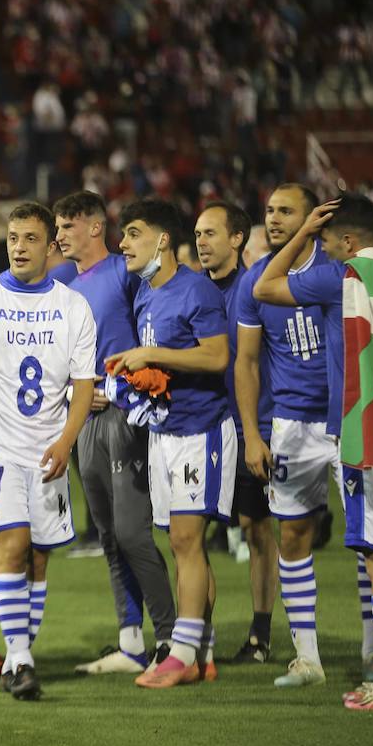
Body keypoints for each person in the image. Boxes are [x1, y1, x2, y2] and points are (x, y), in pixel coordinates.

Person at [255, 195, 373, 712]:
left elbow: (265, 286)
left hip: (364, 432)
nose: (323, 247)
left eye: (327, 239)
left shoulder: (342, 278)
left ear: (348, 242)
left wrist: (299, 235)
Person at [0, 201, 97, 701]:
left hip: (50, 451)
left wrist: (67, 439)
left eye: (30, 238)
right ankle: (21, 657)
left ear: (50, 245)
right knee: (11, 547)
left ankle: (18, 656)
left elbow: (83, 385)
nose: (19, 247)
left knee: (38, 559)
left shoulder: (72, 306)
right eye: (13, 237)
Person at [109, 198, 235, 690]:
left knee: (186, 539)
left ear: (162, 239)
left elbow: (217, 357)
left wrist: (150, 353)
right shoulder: (146, 295)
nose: (124, 244)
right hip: (164, 431)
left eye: (133, 233)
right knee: (184, 544)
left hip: (200, 430)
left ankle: (179, 654)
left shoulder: (197, 291)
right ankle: (201, 650)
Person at [51, 191, 176, 677]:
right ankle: (130, 642)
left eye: (67, 225)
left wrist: (121, 384)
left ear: (94, 227)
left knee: (131, 532)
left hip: (128, 416)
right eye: (58, 227)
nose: (60, 235)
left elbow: (152, 331)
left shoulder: (124, 273)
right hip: (84, 419)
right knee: (107, 535)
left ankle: (171, 638)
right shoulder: (64, 283)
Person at [234, 184, 336, 687]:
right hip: (292, 425)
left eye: (285, 211)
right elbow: (247, 363)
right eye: (270, 210)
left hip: (346, 419)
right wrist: (253, 434)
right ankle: (308, 658)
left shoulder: (335, 270)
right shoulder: (255, 280)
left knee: (371, 539)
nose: (273, 219)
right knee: (292, 535)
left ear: (313, 218)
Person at [197, 200, 281, 674]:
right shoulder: (188, 290)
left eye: (211, 233)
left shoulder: (260, 290)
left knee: (256, 529)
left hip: (252, 426)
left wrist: (257, 432)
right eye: (198, 234)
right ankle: (199, 636)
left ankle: (260, 634)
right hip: (203, 429)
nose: (202, 243)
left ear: (237, 239)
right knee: (193, 533)